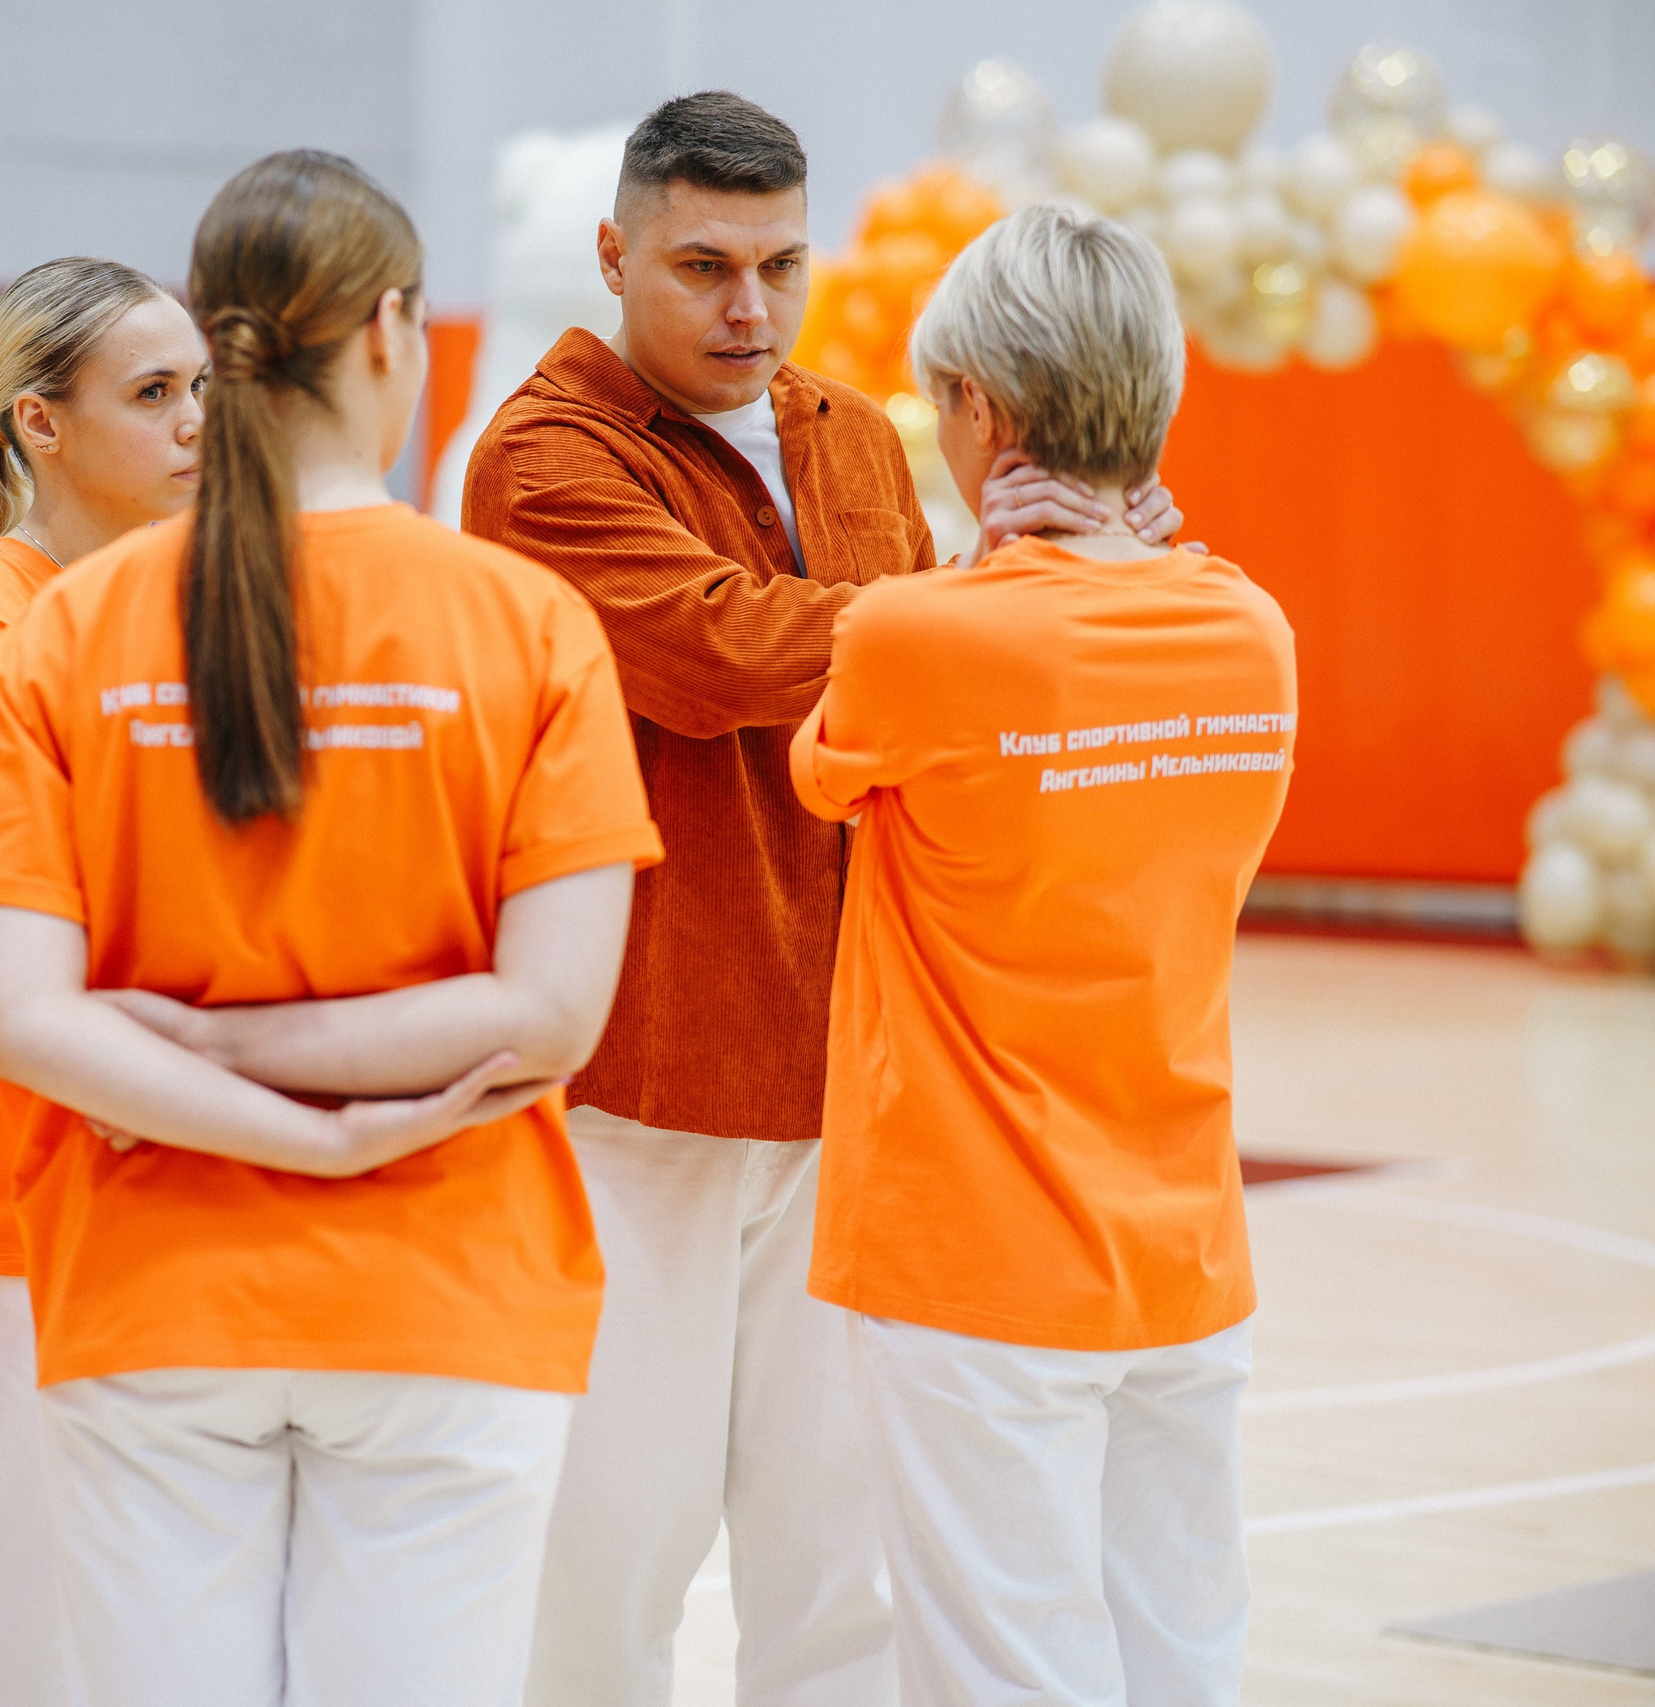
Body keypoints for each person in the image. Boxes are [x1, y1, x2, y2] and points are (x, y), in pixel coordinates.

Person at [459, 92, 1194, 1707]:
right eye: (703, 266)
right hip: (641, 1082)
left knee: (838, 1564)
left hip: (854, 1080)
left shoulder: (857, 432)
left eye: (781, 266)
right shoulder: (536, 458)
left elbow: (943, 692)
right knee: (608, 1554)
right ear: (612, 253)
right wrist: (1013, 584)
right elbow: (720, 653)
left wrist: (1082, 582)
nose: (749, 308)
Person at [0, 149, 663, 1707]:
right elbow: (547, 1018)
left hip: (149, 1294)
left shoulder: (67, 629)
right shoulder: (525, 622)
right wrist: (327, 1130)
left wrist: (218, 1058)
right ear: (396, 331)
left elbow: (16, 1015)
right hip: (446, 1292)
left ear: (221, 360)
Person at [790, 203, 1292, 1707]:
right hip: (1186, 1255)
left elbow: (824, 774)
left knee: (1002, 1672)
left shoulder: (912, 633)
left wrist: (977, 567)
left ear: (983, 410)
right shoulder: (1253, 629)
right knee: (1181, 1657)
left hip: (975, 1265)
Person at [0, 254, 206, 1707]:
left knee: (78, 1622)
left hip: (98, 1175)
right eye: (154, 393)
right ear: (39, 423)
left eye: (202, 387)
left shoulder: (121, 610)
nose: (196, 421)